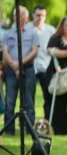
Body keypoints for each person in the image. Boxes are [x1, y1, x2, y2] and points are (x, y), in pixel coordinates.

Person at [2, 6, 39, 135]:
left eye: (20, 15)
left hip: (28, 70)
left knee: (29, 101)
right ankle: (9, 130)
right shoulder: (8, 33)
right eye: (15, 15)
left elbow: (34, 51)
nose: (17, 17)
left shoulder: (33, 33)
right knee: (10, 102)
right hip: (11, 71)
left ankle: (29, 131)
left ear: (27, 17)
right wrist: (14, 65)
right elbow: (5, 51)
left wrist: (20, 64)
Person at [27, 5, 56, 121]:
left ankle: (48, 122)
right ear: (33, 15)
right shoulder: (26, 28)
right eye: (38, 15)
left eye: (43, 15)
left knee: (48, 97)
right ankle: (29, 124)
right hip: (30, 67)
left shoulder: (51, 30)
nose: (40, 18)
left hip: (46, 67)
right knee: (29, 98)